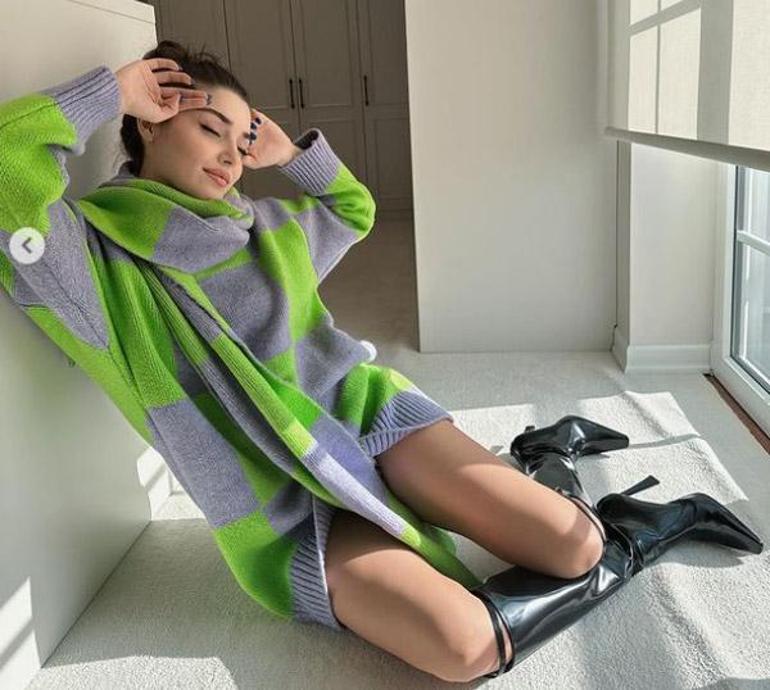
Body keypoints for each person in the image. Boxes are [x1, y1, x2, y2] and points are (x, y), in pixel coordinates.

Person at [0, 40, 763, 684]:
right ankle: (636, 520)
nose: (232, 156)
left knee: (575, 546)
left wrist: (288, 155)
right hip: (278, 502)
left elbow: (352, 208)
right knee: (463, 649)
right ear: (150, 119)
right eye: (210, 128)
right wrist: (109, 91)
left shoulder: (266, 227)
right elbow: (7, 174)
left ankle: (566, 479)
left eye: (242, 139)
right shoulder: (91, 266)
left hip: (369, 419)